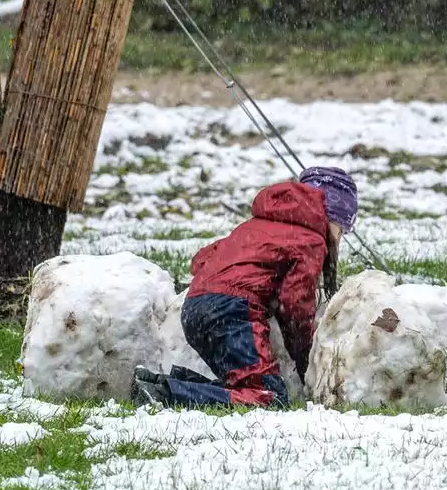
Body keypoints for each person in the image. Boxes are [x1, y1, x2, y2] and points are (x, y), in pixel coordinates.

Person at [131, 167, 356, 408]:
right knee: (269, 396)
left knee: (243, 387)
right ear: (332, 215)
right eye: (342, 229)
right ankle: (166, 395)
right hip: (232, 312)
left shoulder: (261, 224)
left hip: (196, 308)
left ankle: (158, 384)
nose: (340, 238)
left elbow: (203, 258)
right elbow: (295, 304)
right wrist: (306, 360)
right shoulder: (311, 239)